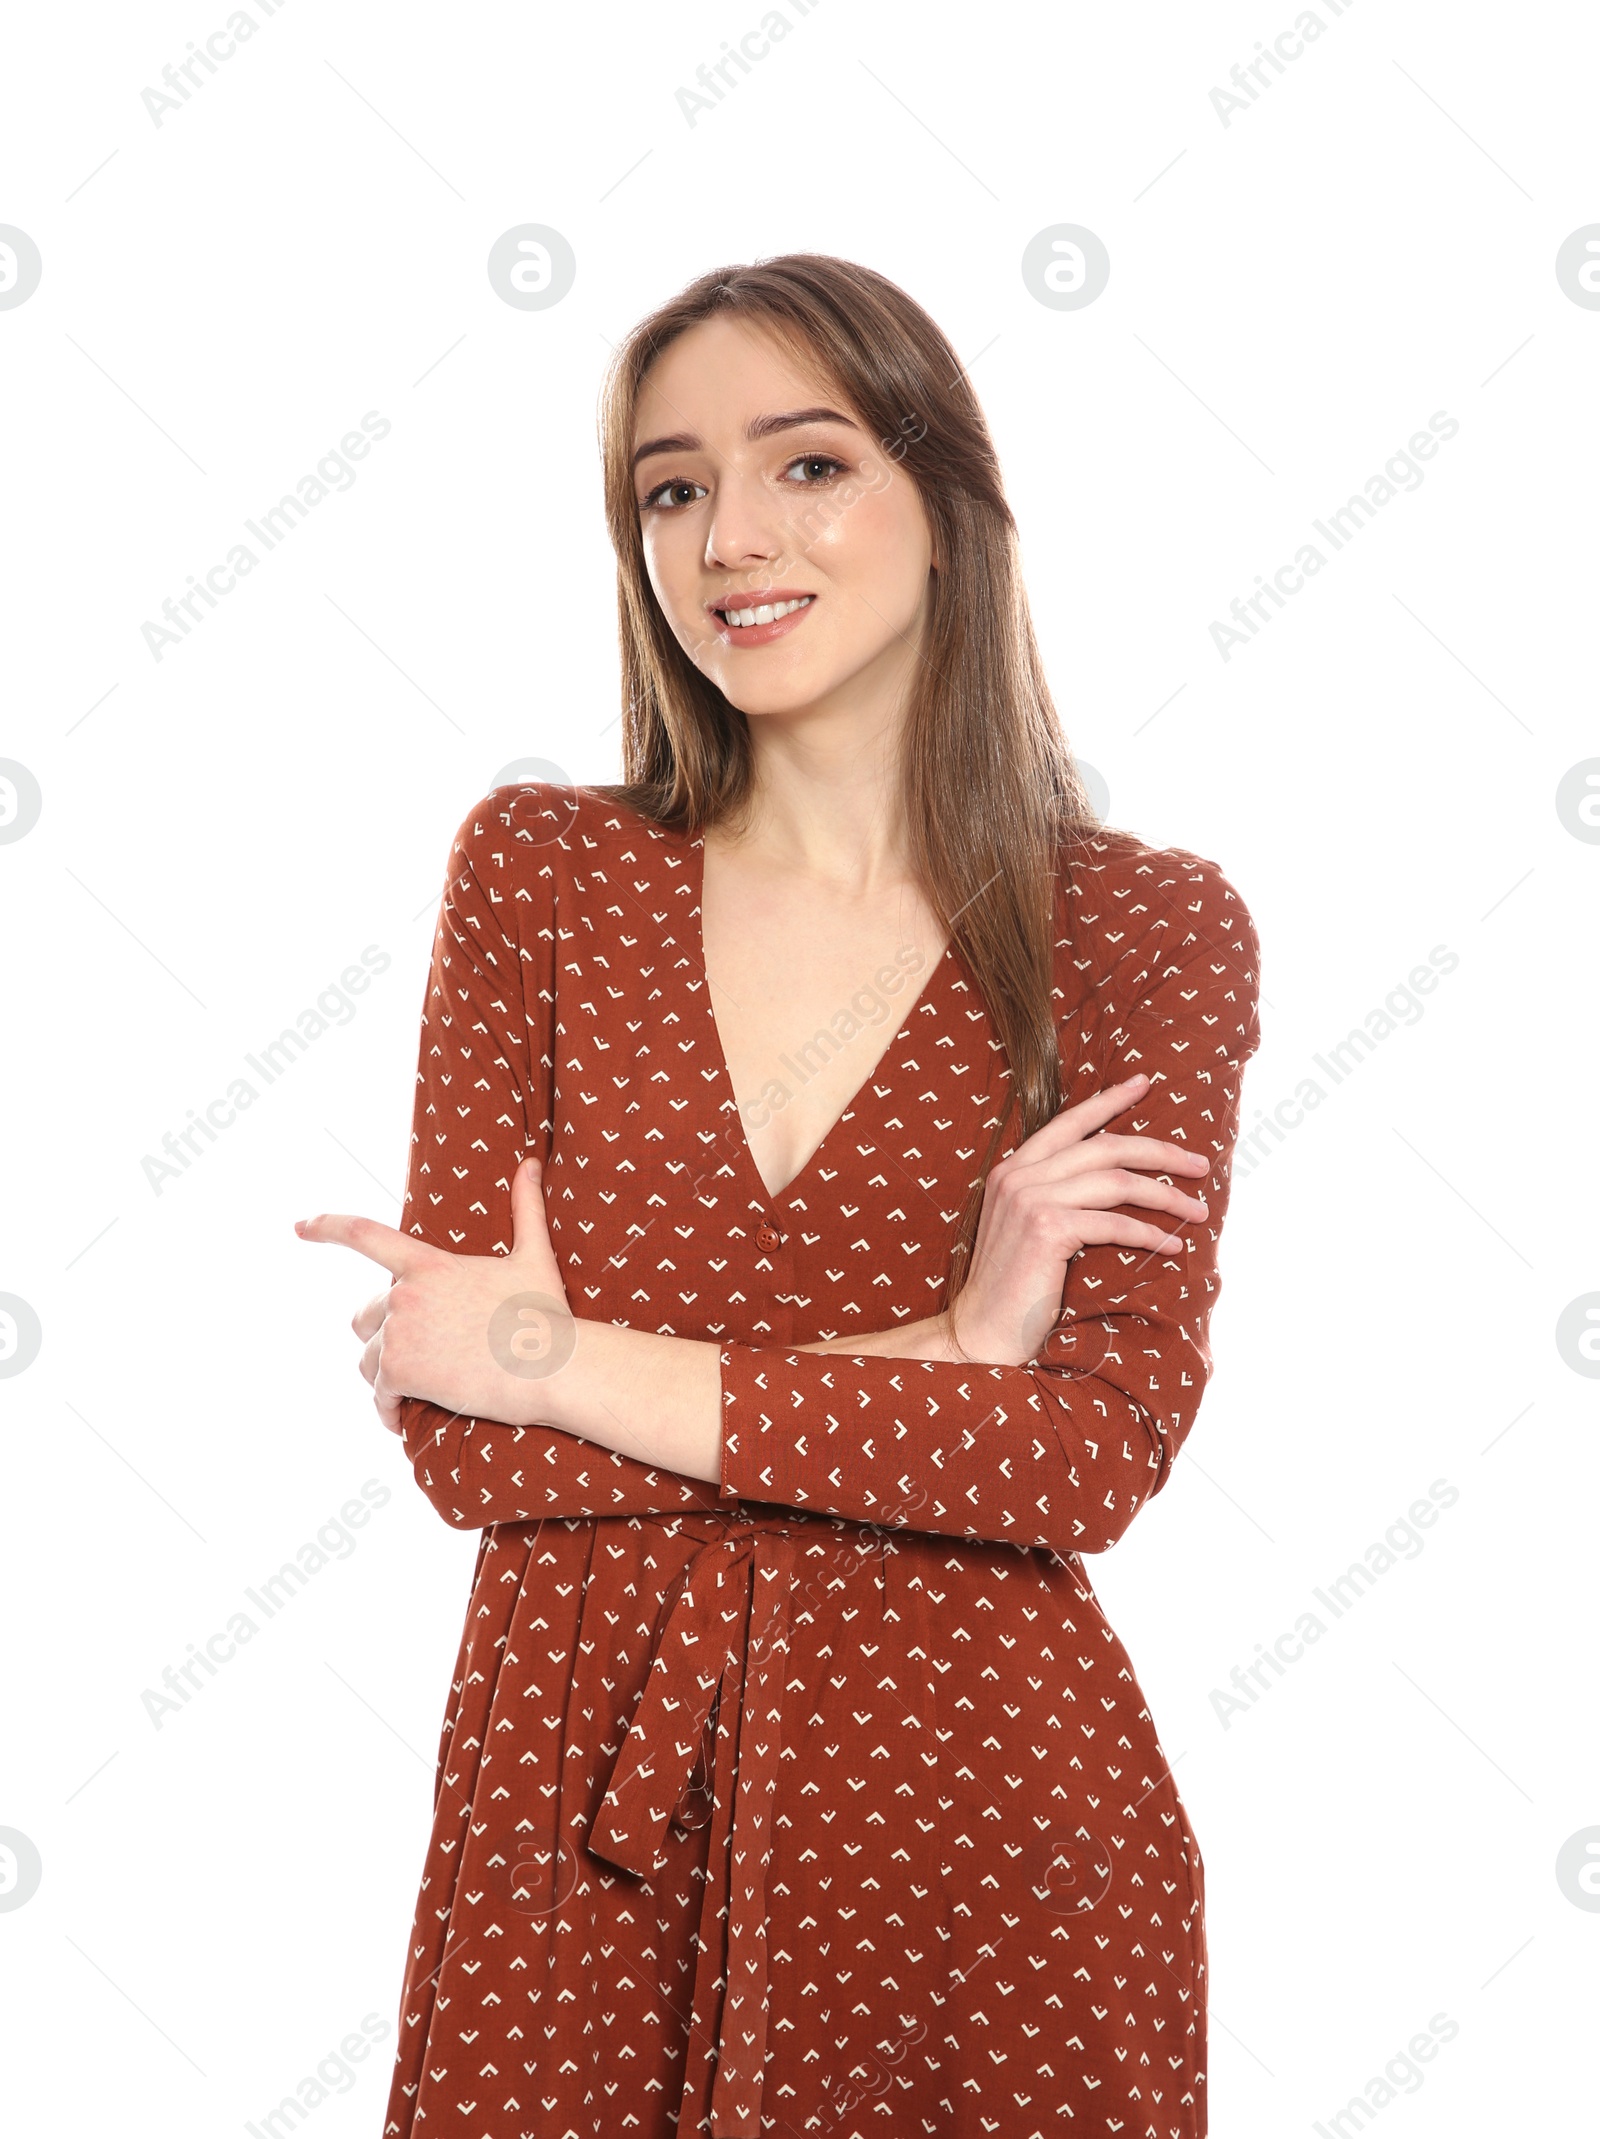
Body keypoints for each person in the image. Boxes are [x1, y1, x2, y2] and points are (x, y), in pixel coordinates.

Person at [297, 252, 1262, 2139]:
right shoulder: (547, 877)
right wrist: (952, 1346)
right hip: (576, 1813)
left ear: (945, 503)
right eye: (671, 487)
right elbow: (469, 1448)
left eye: (804, 464)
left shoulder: (1142, 933)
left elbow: (1093, 1458)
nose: (729, 534)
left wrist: (556, 1353)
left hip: (981, 1822)